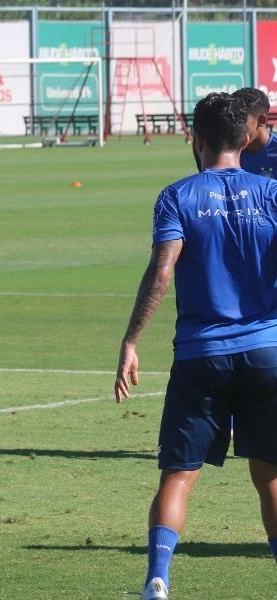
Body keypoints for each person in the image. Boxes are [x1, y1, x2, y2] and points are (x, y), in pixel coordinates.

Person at [114, 92, 277, 600]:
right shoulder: (272, 194)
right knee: (271, 476)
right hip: (266, 351)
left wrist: (131, 340)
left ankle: (157, 582)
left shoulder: (177, 196)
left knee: (178, 476)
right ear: (246, 138)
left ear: (196, 139)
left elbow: (162, 271)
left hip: (200, 355)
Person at [232, 87, 277, 178]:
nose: (234, 125)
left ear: (261, 120)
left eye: (241, 120)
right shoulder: (229, 151)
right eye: (232, 119)